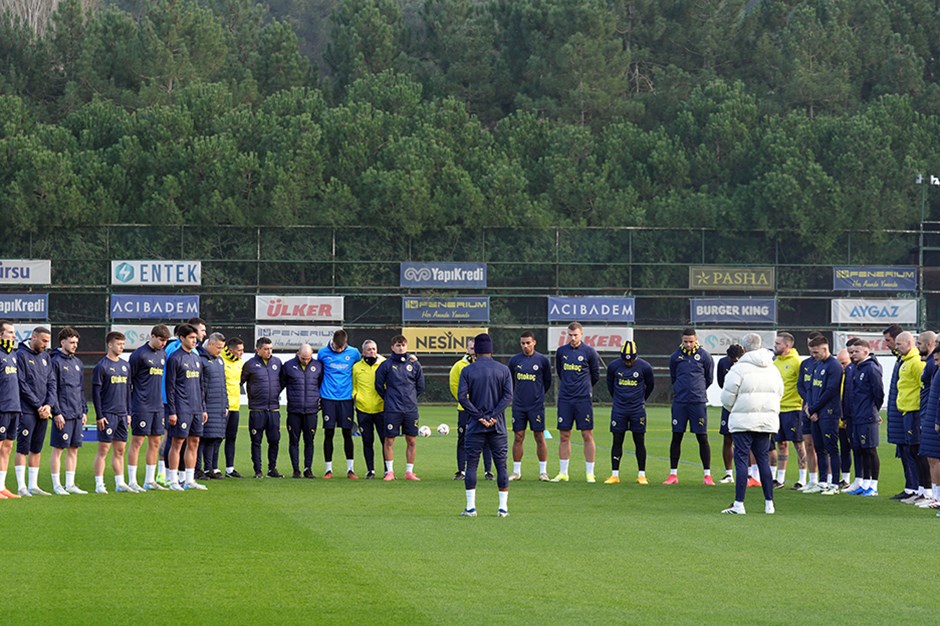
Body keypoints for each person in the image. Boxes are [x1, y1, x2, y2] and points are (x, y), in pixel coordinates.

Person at [719, 333, 784, 515]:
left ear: (743, 348)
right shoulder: (772, 368)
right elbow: (780, 392)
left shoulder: (739, 368)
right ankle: (769, 504)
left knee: (741, 460)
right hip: (765, 421)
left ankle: (739, 504)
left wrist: (736, 409)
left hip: (742, 420)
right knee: (763, 459)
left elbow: (727, 397)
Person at [458, 333, 513, 518]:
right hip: (498, 426)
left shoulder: (468, 370)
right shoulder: (503, 370)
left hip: (475, 425)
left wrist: (480, 416)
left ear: (476, 351)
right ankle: (503, 508)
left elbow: (462, 398)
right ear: (491, 349)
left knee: (471, 465)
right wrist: (493, 415)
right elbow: (508, 397)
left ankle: (471, 508)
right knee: (501, 466)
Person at [551, 322, 602, 483]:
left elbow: (595, 375)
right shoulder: (561, 352)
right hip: (565, 398)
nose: (573, 338)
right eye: (570, 335)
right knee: (564, 435)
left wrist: (584, 388)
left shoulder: (589, 352)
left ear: (582, 334)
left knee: (587, 434)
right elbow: (560, 372)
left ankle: (589, 473)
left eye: (576, 335)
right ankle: (563, 472)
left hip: (583, 399)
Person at [665, 328, 714, 485]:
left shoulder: (704, 356)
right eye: (685, 341)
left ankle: (707, 475)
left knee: (702, 437)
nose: (688, 344)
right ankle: (673, 475)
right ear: (682, 340)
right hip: (680, 402)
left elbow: (709, 378)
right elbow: (674, 377)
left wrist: (697, 390)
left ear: (696, 340)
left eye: (691, 341)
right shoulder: (675, 357)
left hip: (698, 402)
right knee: (676, 437)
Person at [160, 317, 206, 485]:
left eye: (196, 338)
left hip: (196, 408)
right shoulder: (174, 358)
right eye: (191, 338)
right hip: (181, 408)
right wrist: (172, 411)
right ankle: (172, 480)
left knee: (194, 442)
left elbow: (201, 386)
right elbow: (169, 387)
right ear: (182, 338)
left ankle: (189, 479)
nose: (195, 341)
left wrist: (203, 408)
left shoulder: (196, 358)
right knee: (177, 442)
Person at [127, 325, 170, 491]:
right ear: (152, 336)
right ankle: (132, 481)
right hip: (141, 405)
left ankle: (149, 480)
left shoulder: (163, 354)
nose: (163, 344)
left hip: (158, 406)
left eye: (165, 341)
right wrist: (130, 407)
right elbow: (129, 382)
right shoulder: (138, 355)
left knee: (155, 442)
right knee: (137, 442)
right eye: (160, 340)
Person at [375, 335, 424, 481]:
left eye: (403, 345)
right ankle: (389, 472)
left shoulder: (415, 364)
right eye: (397, 345)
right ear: (392, 347)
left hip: (410, 409)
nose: (400, 347)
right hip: (392, 409)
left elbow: (420, 386)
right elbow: (378, 385)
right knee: (389, 440)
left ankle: (409, 472)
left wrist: (411, 398)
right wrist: (389, 398)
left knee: (412, 440)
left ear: (406, 346)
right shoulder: (386, 365)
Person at [604, 339, 654, 485]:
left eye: (631, 360)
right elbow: (610, 385)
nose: (628, 363)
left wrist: (640, 400)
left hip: (637, 410)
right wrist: (619, 400)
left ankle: (642, 475)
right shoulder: (613, 366)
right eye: (625, 360)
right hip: (619, 409)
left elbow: (650, 386)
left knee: (639, 441)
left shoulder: (645, 367)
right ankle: (614, 475)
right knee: (617, 440)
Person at [91, 332, 134, 494]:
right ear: (110, 345)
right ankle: (99, 484)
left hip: (122, 414)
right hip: (108, 414)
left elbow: (129, 391)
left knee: (120, 450)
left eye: (123, 344)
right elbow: (96, 394)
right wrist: (99, 415)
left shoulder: (125, 365)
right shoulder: (101, 366)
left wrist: (129, 413)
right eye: (118, 344)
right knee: (103, 450)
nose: (121, 347)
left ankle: (120, 482)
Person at [47, 327, 88, 495]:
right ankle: (57, 485)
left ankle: (70, 484)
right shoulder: (55, 361)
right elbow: (52, 388)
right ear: (62, 342)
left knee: (74, 449)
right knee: (58, 449)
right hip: (62, 414)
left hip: (77, 412)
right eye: (71, 342)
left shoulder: (78, 363)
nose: (74, 345)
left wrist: (84, 410)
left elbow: (80, 389)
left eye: (76, 343)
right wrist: (56, 412)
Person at [507, 331, 552, 482]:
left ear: (534, 342)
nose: (525, 346)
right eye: (522, 343)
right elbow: (510, 382)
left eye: (528, 343)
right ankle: (516, 472)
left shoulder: (542, 360)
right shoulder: (514, 361)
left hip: (536, 406)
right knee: (518, 437)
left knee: (539, 436)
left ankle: (543, 472)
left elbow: (547, 382)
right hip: (519, 406)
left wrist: (537, 395)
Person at [317, 330, 362, 479]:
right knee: (328, 432)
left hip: (346, 399)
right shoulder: (323, 353)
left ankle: (350, 470)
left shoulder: (354, 353)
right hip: (328, 398)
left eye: (342, 348)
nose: (339, 350)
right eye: (337, 347)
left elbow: (363, 366)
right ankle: (328, 470)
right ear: (333, 342)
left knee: (347, 433)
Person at [14, 326, 53, 496]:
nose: (46, 344)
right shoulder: (20, 355)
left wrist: (49, 405)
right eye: (44, 341)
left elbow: (52, 382)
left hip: (43, 410)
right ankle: (21, 486)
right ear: (34, 337)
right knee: (23, 447)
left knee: (36, 448)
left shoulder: (46, 357)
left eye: (48, 341)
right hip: (27, 410)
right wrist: (38, 406)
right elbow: (21, 384)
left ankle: (33, 485)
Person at [802, 335, 843, 495]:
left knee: (831, 448)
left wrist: (813, 409)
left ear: (825, 349)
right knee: (819, 448)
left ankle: (835, 484)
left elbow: (830, 391)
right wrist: (809, 408)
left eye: (816, 352)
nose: (813, 355)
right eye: (811, 352)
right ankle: (822, 482)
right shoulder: (817, 365)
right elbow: (811, 388)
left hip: (829, 413)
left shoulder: (834, 366)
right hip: (815, 413)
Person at [844, 340, 884, 497]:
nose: (853, 354)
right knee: (860, 449)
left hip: (867, 416)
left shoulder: (871, 369)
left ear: (866, 352)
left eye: (856, 352)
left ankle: (874, 485)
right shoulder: (855, 368)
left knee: (870, 450)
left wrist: (872, 410)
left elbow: (879, 394)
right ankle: (865, 483)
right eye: (851, 352)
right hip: (856, 416)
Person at [241, 337, 285, 479]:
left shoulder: (277, 362)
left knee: (274, 440)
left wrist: (276, 391)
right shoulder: (250, 364)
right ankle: (258, 470)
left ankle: (272, 469)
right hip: (257, 410)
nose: (269, 351)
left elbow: (282, 381)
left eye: (271, 348)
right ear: (258, 349)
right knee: (256, 442)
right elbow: (239, 382)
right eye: (266, 349)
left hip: (273, 410)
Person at [450, 339, 493, 481]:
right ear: (467, 349)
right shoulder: (459, 366)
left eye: (476, 347)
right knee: (463, 439)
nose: (473, 350)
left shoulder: (487, 364)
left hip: (483, 408)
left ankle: (488, 471)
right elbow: (454, 386)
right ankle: (461, 470)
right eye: (471, 348)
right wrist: (467, 401)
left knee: (487, 439)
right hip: (465, 409)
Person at [280, 343, 323, 479]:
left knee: (309, 441)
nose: (306, 360)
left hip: (311, 411)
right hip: (294, 411)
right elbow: (281, 383)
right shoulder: (288, 366)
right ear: (298, 354)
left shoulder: (318, 366)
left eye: (308, 358)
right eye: (303, 358)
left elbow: (321, 384)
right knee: (294, 440)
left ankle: (308, 469)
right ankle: (296, 469)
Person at [895, 331, 928, 504]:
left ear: (909, 343)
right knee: (912, 451)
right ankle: (919, 490)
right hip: (907, 411)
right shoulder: (906, 362)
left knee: (918, 451)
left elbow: (923, 387)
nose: (896, 347)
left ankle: (926, 491)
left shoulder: (916, 363)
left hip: (914, 412)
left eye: (899, 344)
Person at [772, 332, 806, 490]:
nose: (775, 346)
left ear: (787, 345)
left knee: (798, 443)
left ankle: (802, 479)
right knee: (781, 444)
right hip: (777, 408)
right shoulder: (775, 362)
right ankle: (779, 478)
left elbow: (803, 385)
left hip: (793, 409)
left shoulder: (797, 362)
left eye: (778, 343)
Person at [882, 324, 910, 500]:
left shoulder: (913, 362)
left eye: (889, 341)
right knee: (904, 451)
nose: (887, 345)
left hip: (908, 413)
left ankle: (919, 489)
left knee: (912, 452)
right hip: (900, 412)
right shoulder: (900, 359)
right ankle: (911, 487)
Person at [352, 340, 385, 479]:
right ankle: (370, 470)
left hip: (381, 409)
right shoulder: (356, 367)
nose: (372, 351)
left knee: (385, 441)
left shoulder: (384, 364)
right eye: (369, 349)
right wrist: (356, 397)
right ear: (363, 352)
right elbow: (354, 385)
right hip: (363, 409)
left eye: (374, 348)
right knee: (367, 441)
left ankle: (388, 471)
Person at [197, 333, 228, 479]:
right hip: (207, 407)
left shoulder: (220, 361)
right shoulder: (201, 360)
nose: (220, 351)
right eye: (218, 347)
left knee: (213, 439)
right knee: (201, 440)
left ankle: (210, 468)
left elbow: (223, 385)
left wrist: (226, 404)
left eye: (222, 348)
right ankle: (197, 469)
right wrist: (202, 407)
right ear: (210, 344)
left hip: (219, 407)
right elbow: (200, 387)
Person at [795, 331, 823, 491]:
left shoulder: (827, 364)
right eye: (809, 345)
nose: (811, 349)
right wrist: (808, 404)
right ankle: (812, 480)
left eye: (814, 345)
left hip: (819, 411)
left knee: (822, 446)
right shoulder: (805, 364)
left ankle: (827, 480)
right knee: (809, 444)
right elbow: (801, 385)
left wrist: (814, 406)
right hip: (806, 410)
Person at [717, 344, 745, 484]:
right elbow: (721, 383)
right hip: (728, 406)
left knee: (745, 439)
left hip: (744, 406)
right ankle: (728, 474)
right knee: (727, 438)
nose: (734, 362)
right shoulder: (723, 363)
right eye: (732, 360)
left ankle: (750, 474)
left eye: (736, 360)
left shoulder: (746, 365)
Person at [0, 320, 22, 499]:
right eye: (10, 332)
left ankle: (1, 486)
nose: (13, 336)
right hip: (1, 408)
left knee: (7, 447)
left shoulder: (13, 355)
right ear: (1, 335)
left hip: (14, 407)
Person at [221, 337, 245, 478]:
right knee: (217, 438)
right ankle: (211, 467)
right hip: (222, 406)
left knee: (232, 437)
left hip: (235, 406)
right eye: (240, 350)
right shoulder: (221, 360)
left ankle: (230, 468)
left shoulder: (239, 362)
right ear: (231, 350)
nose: (242, 353)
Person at [836, 347, 854, 489]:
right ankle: (844, 478)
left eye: (844, 363)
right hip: (838, 418)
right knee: (842, 449)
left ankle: (862, 480)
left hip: (850, 418)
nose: (842, 367)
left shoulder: (852, 374)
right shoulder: (838, 376)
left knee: (856, 449)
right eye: (839, 363)